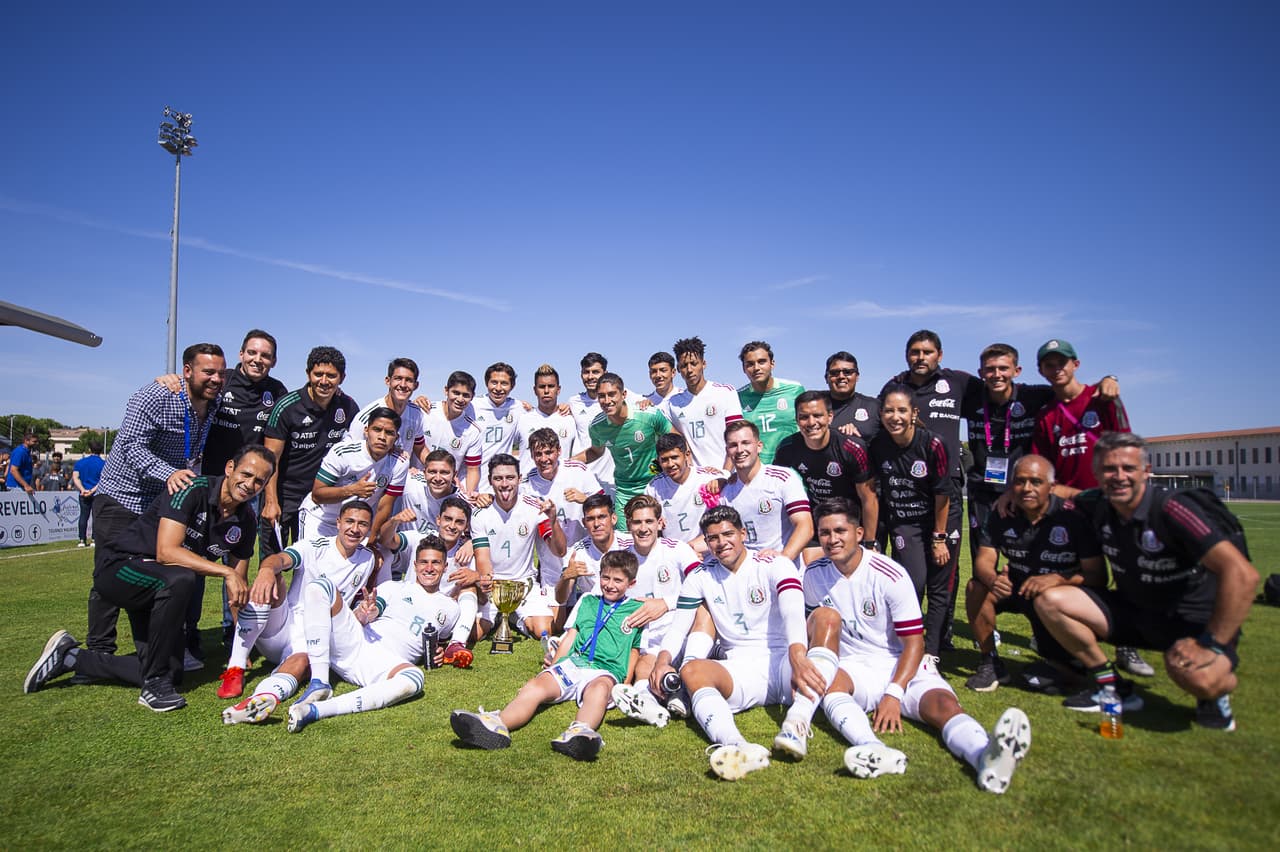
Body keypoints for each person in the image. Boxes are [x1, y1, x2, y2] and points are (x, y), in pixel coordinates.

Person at [769, 498, 1031, 793]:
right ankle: (873, 747)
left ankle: (984, 755)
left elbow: (914, 643)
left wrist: (894, 693)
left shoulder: (889, 574)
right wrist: (803, 664)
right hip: (856, 665)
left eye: (840, 531)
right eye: (825, 533)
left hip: (902, 661)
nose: (832, 539)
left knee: (942, 706)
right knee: (827, 685)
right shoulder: (815, 575)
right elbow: (812, 626)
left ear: (858, 533)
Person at [1035, 432, 1259, 731]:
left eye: (1128, 468)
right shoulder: (1099, 502)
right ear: (1097, 473)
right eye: (1109, 469)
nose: (1119, 477)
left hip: (1192, 623)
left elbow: (1242, 574)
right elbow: (1064, 494)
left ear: (1146, 471)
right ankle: (1110, 684)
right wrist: (1013, 492)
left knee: (1198, 677)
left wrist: (1211, 644)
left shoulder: (1171, 508)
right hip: (1136, 613)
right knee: (1051, 601)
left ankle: (1215, 695)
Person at [24, 445, 274, 711]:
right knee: (182, 578)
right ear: (229, 468)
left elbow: (239, 587)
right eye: (246, 474)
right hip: (121, 569)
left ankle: (72, 658)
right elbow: (166, 552)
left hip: (160, 587)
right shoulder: (193, 488)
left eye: (259, 481)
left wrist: (240, 649)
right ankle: (153, 686)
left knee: (174, 672)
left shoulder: (246, 520)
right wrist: (225, 571)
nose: (250, 484)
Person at [629, 506, 814, 780]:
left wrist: (798, 656)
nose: (721, 542)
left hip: (785, 662)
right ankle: (737, 746)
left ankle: (797, 724)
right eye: (712, 537)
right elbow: (680, 626)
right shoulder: (701, 577)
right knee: (692, 671)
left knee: (825, 624)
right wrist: (663, 660)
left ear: (742, 533)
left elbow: (792, 614)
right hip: (740, 666)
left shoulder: (775, 563)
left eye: (728, 534)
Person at [89, 343, 226, 657]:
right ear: (187, 371)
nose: (216, 379)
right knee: (110, 574)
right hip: (122, 499)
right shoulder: (155, 396)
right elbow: (131, 447)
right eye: (208, 371)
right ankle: (98, 649)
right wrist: (168, 473)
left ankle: (149, 650)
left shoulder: (214, 402)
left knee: (152, 575)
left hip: (160, 506)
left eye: (220, 372)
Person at [451, 550, 644, 760]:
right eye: (605, 577)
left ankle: (579, 733)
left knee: (598, 691)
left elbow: (634, 650)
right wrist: (555, 666)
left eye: (618, 580)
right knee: (537, 685)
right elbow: (571, 636)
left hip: (605, 671)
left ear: (631, 584)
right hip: (575, 663)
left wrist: (624, 684)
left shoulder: (637, 609)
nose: (610, 584)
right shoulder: (588, 600)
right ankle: (498, 724)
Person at [218, 499, 401, 711]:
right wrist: (267, 570)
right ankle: (235, 667)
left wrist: (363, 612)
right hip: (282, 627)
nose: (355, 529)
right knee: (273, 579)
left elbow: (353, 605)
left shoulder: (367, 559)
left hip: (314, 637)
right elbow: (279, 559)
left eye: (362, 524)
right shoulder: (313, 546)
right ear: (338, 522)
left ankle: (262, 697)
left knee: (302, 663)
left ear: (369, 528)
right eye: (350, 521)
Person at [285, 533, 460, 733]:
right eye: (424, 562)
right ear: (415, 565)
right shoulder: (394, 587)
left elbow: (441, 643)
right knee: (321, 586)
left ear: (445, 566)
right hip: (356, 642)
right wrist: (364, 612)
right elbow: (372, 609)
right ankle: (319, 682)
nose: (429, 568)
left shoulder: (451, 608)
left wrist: (440, 652)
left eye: (436, 563)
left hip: (382, 663)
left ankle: (315, 710)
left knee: (414, 679)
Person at [962, 455, 1104, 692]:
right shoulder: (1001, 512)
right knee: (976, 587)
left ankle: (1082, 667)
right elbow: (984, 561)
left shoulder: (1073, 516)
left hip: (1059, 599)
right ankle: (990, 663)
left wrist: (1056, 580)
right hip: (1020, 587)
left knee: (1052, 679)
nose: (1027, 488)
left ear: (1051, 486)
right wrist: (993, 579)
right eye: (1020, 481)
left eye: (1036, 482)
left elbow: (1098, 577)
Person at [868, 386, 956, 660]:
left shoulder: (932, 444)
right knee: (913, 583)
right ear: (881, 414)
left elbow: (943, 494)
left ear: (914, 413)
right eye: (889, 411)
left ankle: (932, 651)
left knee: (939, 586)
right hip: (905, 523)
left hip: (939, 520)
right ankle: (909, 644)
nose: (895, 417)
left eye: (902, 410)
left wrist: (939, 537)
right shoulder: (878, 445)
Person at [260, 346, 359, 561]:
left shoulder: (349, 407)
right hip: (284, 497)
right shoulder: (287, 406)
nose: (324, 381)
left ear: (342, 378)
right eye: (318, 374)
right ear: (308, 375)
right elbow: (270, 460)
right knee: (272, 565)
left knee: (314, 563)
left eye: (331, 376)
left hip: (321, 501)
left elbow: (361, 446)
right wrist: (270, 501)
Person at [471, 454, 566, 641]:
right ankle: (500, 613)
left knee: (545, 630)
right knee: (473, 634)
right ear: (490, 481)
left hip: (524, 585)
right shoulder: (480, 514)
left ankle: (513, 616)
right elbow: (482, 559)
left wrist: (553, 521)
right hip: (493, 587)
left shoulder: (534, 508)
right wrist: (487, 588)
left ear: (520, 479)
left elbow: (559, 550)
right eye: (498, 478)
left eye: (510, 477)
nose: (505, 484)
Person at [774, 390, 877, 562]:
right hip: (816, 519)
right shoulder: (787, 448)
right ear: (797, 420)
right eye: (804, 417)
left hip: (850, 518)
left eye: (817, 415)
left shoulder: (852, 448)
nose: (811, 422)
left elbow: (869, 498)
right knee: (809, 561)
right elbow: (774, 486)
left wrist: (870, 543)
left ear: (830, 417)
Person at [297, 406, 409, 547]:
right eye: (377, 430)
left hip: (357, 524)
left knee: (374, 564)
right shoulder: (343, 452)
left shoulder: (399, 463)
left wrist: (372, 543)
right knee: (310, 566)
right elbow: (317, 495)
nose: (382, 437)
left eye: (389, 433)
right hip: (321, 518)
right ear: (366, 431)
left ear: (396, 437)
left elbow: (384, 506)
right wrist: (352, 490)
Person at [520, 427, 602, 616]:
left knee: (601, 610)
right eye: (538, 454)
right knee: (555, 624)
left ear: (559, 451)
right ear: (532, 456)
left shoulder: (578, 470)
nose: (544, 459)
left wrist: (585, 499)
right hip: (552, 559)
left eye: (548, 452)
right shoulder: (527, 485)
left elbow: (604, 506)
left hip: (584, 554)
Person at [574, 372, 672, 530]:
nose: (607, 401)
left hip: (655, 484)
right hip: (625, 489)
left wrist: (660, 469)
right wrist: (566, 463)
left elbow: (675, 441)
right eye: (602, 396)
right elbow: (595, 451)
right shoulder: (598, 426)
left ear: (623, 394)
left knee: (662, 535)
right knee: (625, 542)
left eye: (612, 394)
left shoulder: (648, 415)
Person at [717, 420, 813, 570]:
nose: (740, 449)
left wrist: (783, 559)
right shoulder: (725, 492)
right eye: (733, 445)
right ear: (728, 451)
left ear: (759, 446)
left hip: (784, 572)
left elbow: (805, 526)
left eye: (746, 443)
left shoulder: (783, 478)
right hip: (747, 575)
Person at [201, 329, 288, 473]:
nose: (258, 360)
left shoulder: (278, 391)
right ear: (241, 354)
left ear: (274, 361)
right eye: (252, 352)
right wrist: (170, 381)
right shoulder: (221, 380)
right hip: (209, 475)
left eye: (265, 356)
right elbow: (191, 388)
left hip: (248, 481)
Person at [568, 352, 646, 492]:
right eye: (586, 372)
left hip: (612, 480)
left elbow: (648, 405)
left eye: (595, 372)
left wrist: (648, 402)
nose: (590, 377)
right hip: (583, 478)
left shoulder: (624, 396)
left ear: (605, 373)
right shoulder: (574, 402)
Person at [666, 336, 744, 470]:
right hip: (695, 480)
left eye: (694, 363)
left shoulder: (725, 393)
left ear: (704, 364)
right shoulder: (673, 404)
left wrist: (724, 474)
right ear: (678, 369)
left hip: (727, 476)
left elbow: (736, 438)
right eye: (684, 366)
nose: (689, 370)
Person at [643, 433, 721, 552]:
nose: (670, 464)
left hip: (709, 554)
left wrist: (722, 481)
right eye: (664, 460)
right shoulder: (653, 487)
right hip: (674, 556)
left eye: (674, 457)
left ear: (686, 455)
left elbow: (730, 480)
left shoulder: (708, 479)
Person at [554, 493, 629, 612]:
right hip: (595, 611)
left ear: (613, 518)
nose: (596, 524)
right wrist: (565, 577)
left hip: (629, 607)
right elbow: (560, 599)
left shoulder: (630, 545)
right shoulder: (576, 552)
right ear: (584, 523)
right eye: (590, 519)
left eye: (602, 517)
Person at [347, 358, 428, 464]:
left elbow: (420, 448)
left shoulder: (416, 413)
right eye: (398, 378)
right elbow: (350, 455)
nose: (403, 385)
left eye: (409, 380)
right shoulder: (366, 416)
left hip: (400, 476)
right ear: (388, 381)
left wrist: (439, 468)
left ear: (416, 385)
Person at [736, 341, 805, 464]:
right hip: (758, 470)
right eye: (750, 364)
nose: (756, 368)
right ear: (744, 369)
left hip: (794, 465)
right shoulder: (737, 397)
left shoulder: (794, 390)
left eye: (761, 362)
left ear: (772, 364)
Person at [420, 370, 483, 496]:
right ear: (446, 390)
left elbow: (473, 469)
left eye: (465, 395)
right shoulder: (425, 411)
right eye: (456, 393)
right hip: (419, 483)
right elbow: (417, 446)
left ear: (472, 396)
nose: (460, 399)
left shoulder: (473, 430)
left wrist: (469, 493)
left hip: (446, 488)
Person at [514, 365, 579, 473]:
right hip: (528, 487)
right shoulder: (522, 419)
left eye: (551, 386)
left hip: (560, 487)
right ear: (535, 390)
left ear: (558, 390)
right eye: (542, 386)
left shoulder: (570, 420)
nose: (546, 390)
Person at [470, 362, 524, 475]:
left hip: (501, 482)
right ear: (486, 383)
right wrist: (422, 399)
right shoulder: (472, 405)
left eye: (504, 383)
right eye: (494, 382)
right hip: (472, 479)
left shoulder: (519, 407)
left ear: (512, 386)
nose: (498, 388)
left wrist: (563, 408)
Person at [824, 351, 880, 441]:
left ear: (857, 376)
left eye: (847, 372)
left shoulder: (874, 406)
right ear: (826, 378)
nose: (841, 376)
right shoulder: (814, 405)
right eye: (834, 373)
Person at [72, 442, 106, 547]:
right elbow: (103, 479)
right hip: (97, 493)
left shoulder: (80, 462)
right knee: (96, 517)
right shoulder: (104, 463)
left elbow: (75, 477)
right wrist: (92, 490)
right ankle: (94, 540)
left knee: (83, 516)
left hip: (83, 492)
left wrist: (83, 489)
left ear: (89, 449)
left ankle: (82, 539)